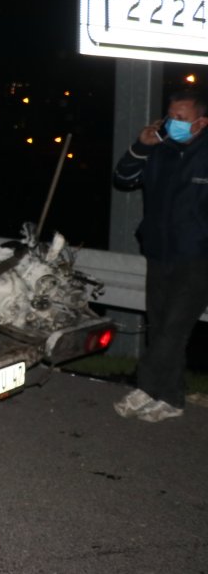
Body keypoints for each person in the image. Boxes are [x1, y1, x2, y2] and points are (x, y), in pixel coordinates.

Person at [111, 86, 208, 422]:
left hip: (197, 259)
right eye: (170, 117)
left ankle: (147, 387)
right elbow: (122, 179)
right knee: (161, 326)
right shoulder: (158, 150)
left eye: (181, 118)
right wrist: (140, 146)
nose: (173, 123)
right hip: (158, 252)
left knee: (173, 330)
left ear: (201, 122)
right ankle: (171, 398)